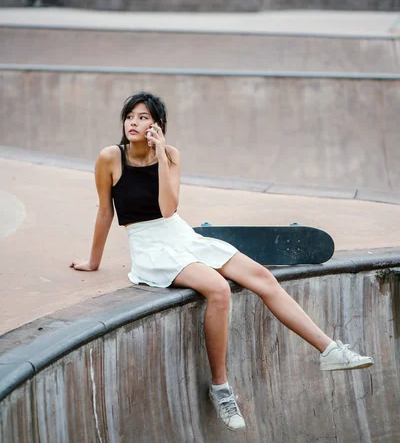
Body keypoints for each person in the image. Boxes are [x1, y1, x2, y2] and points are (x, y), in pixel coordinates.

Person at [70, 91, 374, 432]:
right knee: (218, 289)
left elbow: (169, 209)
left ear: (158, 125)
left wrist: (162, 158)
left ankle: (329, 350)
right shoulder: (110, 157)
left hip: (180, 233)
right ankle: (221, 387)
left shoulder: (170, 155)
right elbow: (104, 211)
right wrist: (93, 262)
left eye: (143, 117)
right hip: (149, 245)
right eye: (130, 116)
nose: (134, 123)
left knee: (261, 277)